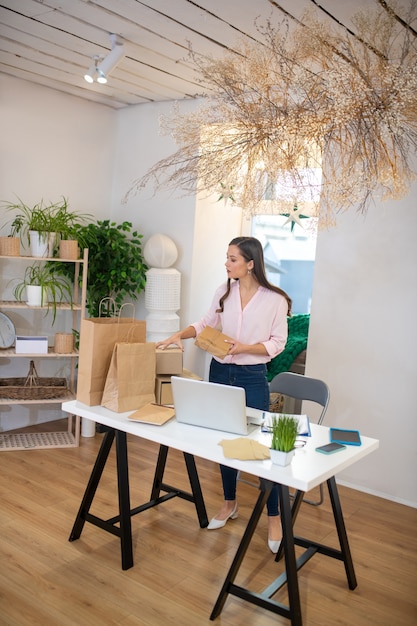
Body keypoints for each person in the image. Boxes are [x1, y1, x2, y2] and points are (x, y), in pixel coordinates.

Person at [156, 236, 292, 553]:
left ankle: (274, 517)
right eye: (227, 258)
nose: (227, 264)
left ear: (250, 263)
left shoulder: (275, 300)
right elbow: (204, 325)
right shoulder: (225, 291)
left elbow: (277, 343)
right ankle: (230, 504)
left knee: (260, 446)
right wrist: (180, 334)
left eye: (232, 259)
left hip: (252, 376)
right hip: (219, 372)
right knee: (226, 442)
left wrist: (245, 348)